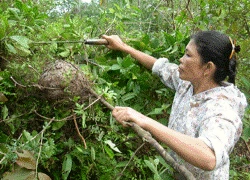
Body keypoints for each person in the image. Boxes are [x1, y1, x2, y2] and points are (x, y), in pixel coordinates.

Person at [101, 31, 248, 179]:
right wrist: (123, 47)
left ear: (208, 68)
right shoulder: (188, 83)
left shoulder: (223, 107)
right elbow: (158, 66)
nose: (181, 59)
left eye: (188, 55)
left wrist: (144, 120)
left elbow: (209, 157)